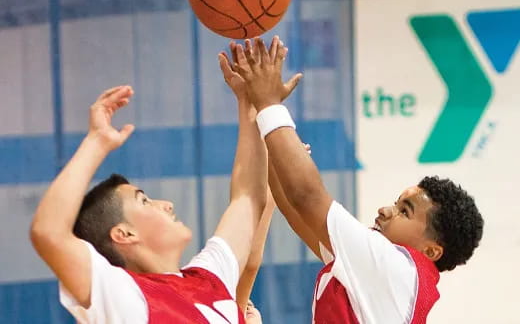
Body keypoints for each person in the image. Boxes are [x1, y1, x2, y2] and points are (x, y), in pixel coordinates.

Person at [29, 43, 297, 322]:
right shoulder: (125, 298)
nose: (166, 205)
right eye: (144, 200)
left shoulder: (209, 277)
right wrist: (96, 142)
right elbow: (49, 233)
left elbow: (248, 197)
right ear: (125, 234)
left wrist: (250, 103)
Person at [232, 36, 484, 323]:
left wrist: (268, 103)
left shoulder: (396, 269)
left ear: (430, 250)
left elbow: (307, 197)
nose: (386, 211)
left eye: (405, 211)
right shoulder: (372, 273)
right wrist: (261, 119)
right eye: (396, 203)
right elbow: (296, 208)